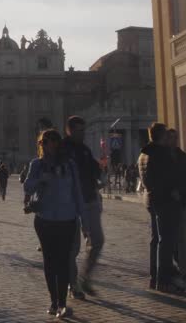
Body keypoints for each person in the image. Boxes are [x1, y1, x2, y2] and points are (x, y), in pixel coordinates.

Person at [24, 128, 83, 319]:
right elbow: (27, 186)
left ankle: (63, 303)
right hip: (45, 219)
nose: (50, 145)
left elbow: (77, 192)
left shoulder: (70, 165)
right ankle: (53, 301)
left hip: (67, 219)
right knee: (49, 261)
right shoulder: (37, 165)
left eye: (53, 141)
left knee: (64, 261)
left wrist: (84, 220)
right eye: (45, 142)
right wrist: (41, 179)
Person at [63, 116, 106, 299]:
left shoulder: (85, 150)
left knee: (97, 240)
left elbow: (95, 170)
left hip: (89, 200)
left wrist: (100, 175)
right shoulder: (62, 150)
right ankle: (73, 284)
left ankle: (84, 278)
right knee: (72, 248)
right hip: (71, 203)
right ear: (70, 130)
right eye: (80, 131)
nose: (83, 134)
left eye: (84, 130)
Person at [143, 123, 186, 293]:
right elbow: (166, 178)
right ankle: (164, 280)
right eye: (167, 135)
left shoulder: (145, 153)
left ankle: (156, 278)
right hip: (166, 202)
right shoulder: (161, 154)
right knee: (166, 241)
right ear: (162, 136)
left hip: (154, 200)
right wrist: (174, 192)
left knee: (158, 240)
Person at [167, 129, 186, 283]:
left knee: (182, 238)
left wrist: (183, 193)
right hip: (166, 203)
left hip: (181, 201)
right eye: (170, 137)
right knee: (168, 239)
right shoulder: (160, 157)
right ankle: (170, 266)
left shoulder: (181, 156)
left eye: (175, 137)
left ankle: (185, 268)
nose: (174, 140)